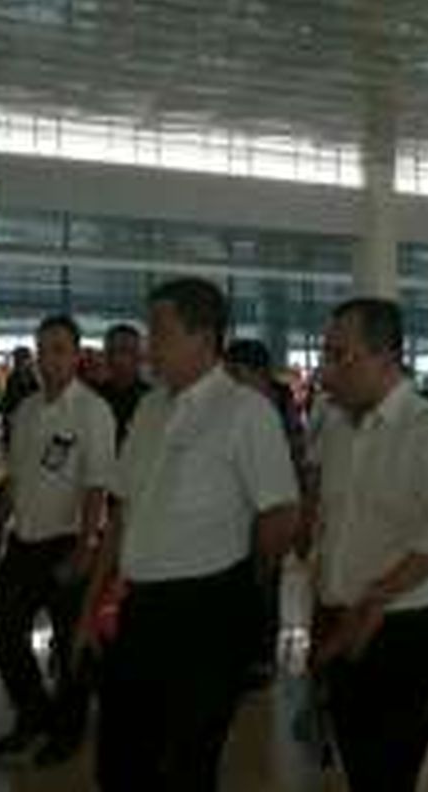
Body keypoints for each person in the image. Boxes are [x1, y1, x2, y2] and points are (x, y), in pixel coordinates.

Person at [77, 278, 300, 791]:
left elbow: (282, 515)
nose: (149, 346)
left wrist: (246, 580)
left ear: (204, 337)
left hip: (208, 614)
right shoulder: (153, 408)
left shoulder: (246, 412)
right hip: (140, 610)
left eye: (160, 332)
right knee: (121, 761)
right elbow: (125, 511)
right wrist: (91, 610)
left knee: (186, 766)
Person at [311, 298, 428, 792]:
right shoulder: (336, 426)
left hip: (410, 630)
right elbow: (334, 528)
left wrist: (379, 594)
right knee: (359, 767)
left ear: (386, 358)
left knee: (386, 775)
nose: (328, 370)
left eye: (340, 355)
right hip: (345, 621)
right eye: (327, 353)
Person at [0, 315, 116, 767]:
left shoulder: (92, 412)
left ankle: (68, 731)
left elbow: (98, 485)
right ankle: (33, 712)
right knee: (0, 625)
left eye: (58, 349)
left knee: (70, 642)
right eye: (42, 349)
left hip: (68, 541)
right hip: (26, 540)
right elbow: (17, 475)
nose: (48, 358)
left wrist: (84, 549)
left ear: (77, 355)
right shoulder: (27, 410)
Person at [226, 338, 307, 687]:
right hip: (239, 510)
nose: (229, 380)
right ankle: (244, 652)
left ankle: (260, 659)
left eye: (235, 372)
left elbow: (295, 457)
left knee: (265, 581)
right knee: (246, 581)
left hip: (270, 508)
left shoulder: (276, 404)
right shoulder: (240, 404)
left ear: (254, 372)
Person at [96, 324, 150, 450]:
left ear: (138, 356)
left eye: (124, 351)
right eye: (111, 351)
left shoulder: (151, 400)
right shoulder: (94, 396)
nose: (117, 359)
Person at [0, 346, 40, 445]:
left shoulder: (28, 374)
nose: (31, 360)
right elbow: (15, 397)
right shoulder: (18, 376)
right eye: (29, 358)